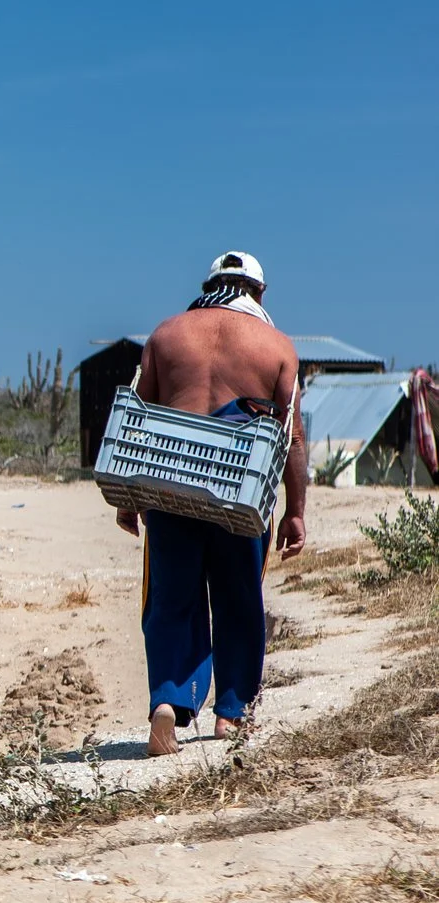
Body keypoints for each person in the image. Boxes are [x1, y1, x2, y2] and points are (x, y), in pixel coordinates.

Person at [116, 251, 308, 756]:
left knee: (170, 597)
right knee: (239, 598)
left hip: (169, 485)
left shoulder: (165, 335)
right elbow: (294, 439)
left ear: (210, 285)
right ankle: (230, 714)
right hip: (239, 492)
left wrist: (128, 498)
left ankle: (167, 704)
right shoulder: (277, 346)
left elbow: (142, 421)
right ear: (259, 293)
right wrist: (295, 511)